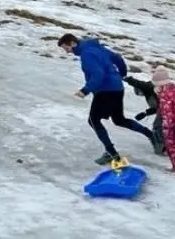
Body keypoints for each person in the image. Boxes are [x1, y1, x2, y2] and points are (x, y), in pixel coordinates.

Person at [58, 33, 156, 165]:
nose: (67, 51)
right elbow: (118, 58)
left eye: (66, 48)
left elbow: (98, 73)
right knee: (119, 119)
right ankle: (151, 135)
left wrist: (85, 90)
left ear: (73, 43)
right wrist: (120, 75)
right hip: (117, 88)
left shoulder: (86, 54)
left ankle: (111, 153)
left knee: (93, 120)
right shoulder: (97, 47)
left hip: (105, 90)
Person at [124, 75, 167, 155]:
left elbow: (139, 84)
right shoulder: (149, 94)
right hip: (165, 109)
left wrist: (130, 80)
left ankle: (161, 147)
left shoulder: (149, 87)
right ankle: (169, 144)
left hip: (168, 108)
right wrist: (145, 113)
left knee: (157, 126)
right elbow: (156, 108)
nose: (141, 95)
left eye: (140, 93)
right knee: (163, 126)